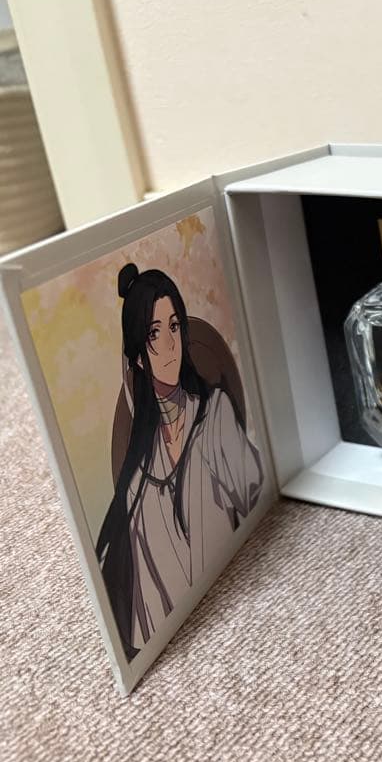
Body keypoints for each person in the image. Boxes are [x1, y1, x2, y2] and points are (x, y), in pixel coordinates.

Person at [95, 264, 263, 660]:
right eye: (154, 333)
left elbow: (261, 499)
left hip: (238, 596)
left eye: (174, 326)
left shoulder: (214, 415)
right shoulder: (137, 484)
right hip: (181, 644)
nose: (170, 344)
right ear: (137, 356)